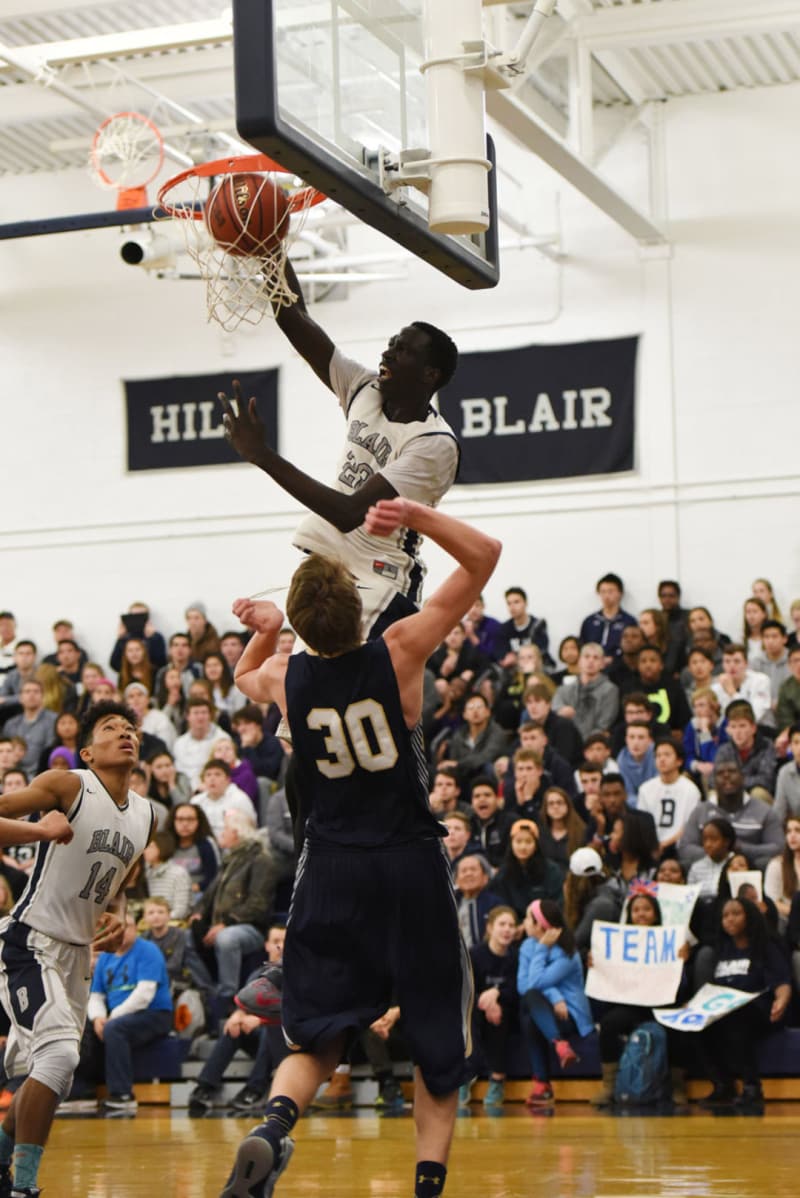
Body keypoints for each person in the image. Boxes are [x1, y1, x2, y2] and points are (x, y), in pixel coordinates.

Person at [217, 495, 500, 1198]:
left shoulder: (288, 676)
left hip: (332, 866)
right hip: (406, 858)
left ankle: (273, 1126)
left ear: (306, 627)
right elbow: (485, 556)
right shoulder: (400, 649)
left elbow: (243, 678)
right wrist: (413, 513)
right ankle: (427, 1187)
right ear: (357, 605)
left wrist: (269, 630)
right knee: (438, 1039)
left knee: (316, 1032)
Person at [219, 266, 460, 641]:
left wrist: (262, 455)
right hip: (330, 563)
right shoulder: (365, 388)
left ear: (430, 375)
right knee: (312, 683)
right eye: (392, 343)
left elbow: (348, 514)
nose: (389, 352)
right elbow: (296, 319)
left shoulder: (434, 443)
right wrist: (271, 254)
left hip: (382, 575)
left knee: (354, 684)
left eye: (403, 350)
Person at [0, 701, 154, 1198]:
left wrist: (121, 913)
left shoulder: (147, 815)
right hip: (30, 940)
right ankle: (24, 1186)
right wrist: (39, 829)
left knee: (54, 1076)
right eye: (111, 728)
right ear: (87, 751)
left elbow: (124, 880)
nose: (125, 734)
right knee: (61, 1058)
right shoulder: (69, 785)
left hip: (76, 957)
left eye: (130, 728)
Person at [591, 892, 690, 1108]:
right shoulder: (617, 942)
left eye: (646, 909)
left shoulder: (670, 940)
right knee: (608, 1024)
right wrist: (596, 962)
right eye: (636, 910)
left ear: (655, 915)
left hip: (662, 1003)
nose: (641, 914)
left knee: (679, 1027)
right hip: (632, 1004)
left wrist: (682, 961)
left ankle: (677, 1086)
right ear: (629, 915)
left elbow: (681, 985)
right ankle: (609, 1086)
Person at [699, 897, 791, 1108]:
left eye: (736, 913)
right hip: (726, 1010)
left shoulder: (765, 947)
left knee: (737, 1019)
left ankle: (752, 1087)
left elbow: (782, 982)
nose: (729, 919)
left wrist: (782, 1000)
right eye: (725, 915)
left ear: (749, 917)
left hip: (761, 1010)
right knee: (697, 1028)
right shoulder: (722, 950)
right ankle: (722, 1084)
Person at [188, 924, 288, 1116]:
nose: (280, 947)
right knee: (233, 1026)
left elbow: (293, 1011)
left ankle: (255, 1090)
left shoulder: (295, 973)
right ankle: (206, 1086)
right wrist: (236, 1017)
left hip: (287, 1040)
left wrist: (260, 1020)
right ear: (266, 945)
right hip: (263, 1043)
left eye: (284, 941)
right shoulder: (257, 975)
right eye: (276, 941)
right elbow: (242, 1006)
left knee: (270, 1028)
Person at [188, 809, 277, 1013]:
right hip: (222, 924)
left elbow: (258, 904)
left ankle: (228, 996)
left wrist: (226, 923)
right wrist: (198, 912)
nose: (221, 833)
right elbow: (209, 893)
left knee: (227, 938)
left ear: (237, 833)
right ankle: (209, 990)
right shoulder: (230, 859)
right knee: (185, 938)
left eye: (225, 829)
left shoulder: (262, 860)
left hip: (252, 928)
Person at [83, 912, 173, 1113]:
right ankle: (82, 1091)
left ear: (136, 929)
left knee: (115, 1029)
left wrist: (112, 1017)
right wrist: (98, 1017)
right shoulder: (105, 956)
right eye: (116, 927)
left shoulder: (148, 950)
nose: (122, 931)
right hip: (115, 1015)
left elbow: (144, 994)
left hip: (154, 1014)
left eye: (128, 926)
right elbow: (96, 995)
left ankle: (122, 1095)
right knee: (81, 1029)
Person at [517, 899, 594, 1109]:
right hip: (544, 1010)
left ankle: (542, 1084)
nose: (523, 922)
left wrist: (542, 949)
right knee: (529, 1009)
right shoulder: (526, 946)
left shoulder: (567, 951)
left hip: (569, 1016)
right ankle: (559, 1045)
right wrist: (554, 996)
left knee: (529, 1011)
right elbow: (524, 986)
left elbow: (534, 983)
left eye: (527, 918)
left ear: (541, 925)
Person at [460, 906, 519, 1112]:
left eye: (511, 925)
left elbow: (515, 990)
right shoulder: (475, 954)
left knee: (501, 1013)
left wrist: (496, 995)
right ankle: (466, 1076)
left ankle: (497, 1078)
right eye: (502, 924)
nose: (507, 930)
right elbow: (465, 988)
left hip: (505, 1010)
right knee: (471, 1014)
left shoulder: (515, 957)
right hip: (476, 1007)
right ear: (490, 928)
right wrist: (484, 1001)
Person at [678, 760, 782, 871]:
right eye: (720, 773)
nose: (726, 775)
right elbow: (685, 848)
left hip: (749, 868)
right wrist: (718, 854)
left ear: (743, 777)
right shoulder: (700, 811)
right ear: (713, 781)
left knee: (768, 863)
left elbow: (778, 847)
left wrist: (742, 849)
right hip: (709, 868)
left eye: (732, 771)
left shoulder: (764, 810)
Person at [636, 741, 701, 857]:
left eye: (667, 755)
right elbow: (642, 824)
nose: (662, 759)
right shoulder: (645, 789)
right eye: (658, 755)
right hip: (651, 846)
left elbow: (688, 826)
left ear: (679, 761)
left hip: (679, 846)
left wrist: (665, 844)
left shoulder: (690, 790)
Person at [492, 819, 563, 918]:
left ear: (536, 845)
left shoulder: (551, 870)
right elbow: (501, 906)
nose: (523, 847)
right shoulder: (503, 874)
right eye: (518, 841)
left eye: (528, 842)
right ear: (511, 843)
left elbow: (556, 903)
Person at [713, 700, 777, 803]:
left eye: (742, 726)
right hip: (731, 793)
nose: (737, 732)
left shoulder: (766, 746)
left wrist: (735, 781)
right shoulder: (724, 750)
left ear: (753, 728)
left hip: (755, 797)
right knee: (714, 795)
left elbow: (766, 779)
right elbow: (714, 779)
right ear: (728, 730)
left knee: (758, 793)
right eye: (733, 727)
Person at [551, 643, 619, 738]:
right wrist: (560, 712)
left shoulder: (610, 690)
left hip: (594, 742)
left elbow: (604, 723)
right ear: (579, 661)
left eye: (596, 658)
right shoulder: (564, 690)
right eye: (586, 657)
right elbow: (555, 711)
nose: (590, 661)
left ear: (602, 664)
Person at [172, 697, 232, 790]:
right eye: (196, 713)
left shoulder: (222, 739)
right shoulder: (179, 743)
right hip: (186, 789)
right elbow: (179, 773)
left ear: (210, 716)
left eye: (204, 713)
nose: (200, 717)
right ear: (188, 716)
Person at [579, 573, 637, 663]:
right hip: (592, 667)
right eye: (603, 592)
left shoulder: (629, 621)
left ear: (620, 593)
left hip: (620, 668)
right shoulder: (589, 621)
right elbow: (583, 646)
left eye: (610, 591)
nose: (606, 596)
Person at [2, 684, 56, 779]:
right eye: (27, 691)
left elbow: (51, 751)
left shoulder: (53, 720)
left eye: (36, 691)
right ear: (21, 698)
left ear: (43, 697)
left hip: (42, 776)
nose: (31, 695)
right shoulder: (10, 724)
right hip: (13, 776)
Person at [711, 643, 772, 725]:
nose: (732, 666)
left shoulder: (760, 681)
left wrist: (732, 693)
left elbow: (754, 716)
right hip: (728, 732)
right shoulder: (716, 687)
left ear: (746, 663)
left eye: (737, 661)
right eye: (727, 661)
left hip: (760, 729)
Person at [496, 587, 553, 671]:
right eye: (509, 603)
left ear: (525, 603)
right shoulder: (504, 628)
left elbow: (542, 650)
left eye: (516, 602)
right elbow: (501, 653)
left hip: (539, 667)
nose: (512, 607)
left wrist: (518, 658)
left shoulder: (537, 625)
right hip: (516, 670)